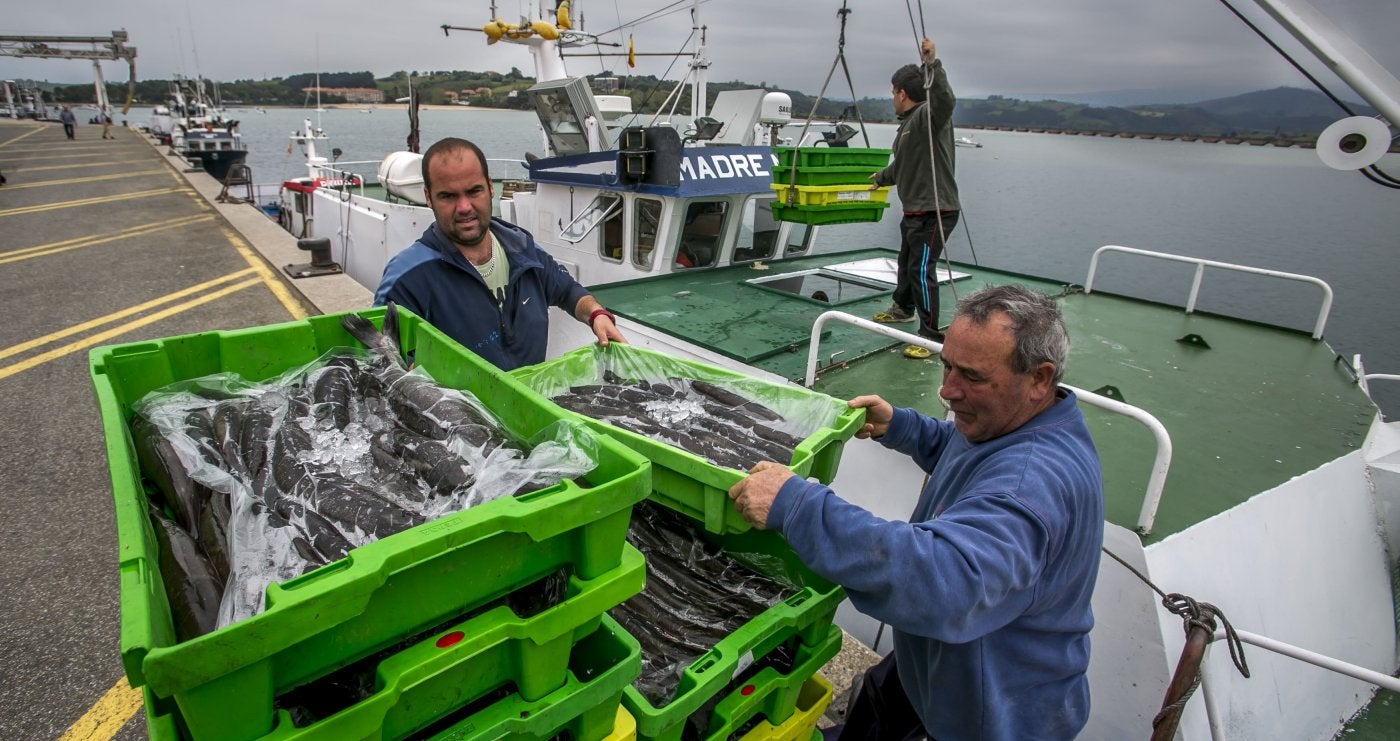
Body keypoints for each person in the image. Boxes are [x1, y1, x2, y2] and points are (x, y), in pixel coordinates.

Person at [728, 284, 1104, 740]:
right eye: (946, 366)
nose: (948, 391)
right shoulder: (1011, 421)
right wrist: (902, 427)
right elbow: (964, 452)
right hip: (935, 668)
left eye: (971, 376)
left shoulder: (1031, 483)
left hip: (984, 713)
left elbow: (945, 581)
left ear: (1040, 379)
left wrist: (795, 506)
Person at [374, 137, 626, 371]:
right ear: (428, 197)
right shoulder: (408, 278)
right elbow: (380, 362)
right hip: (460, 417)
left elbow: (567, 291)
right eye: (448, 196)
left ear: (490, 188)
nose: (464, 207)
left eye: (474, 191)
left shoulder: (521, 248)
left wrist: (596, 315)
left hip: (532, 403)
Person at [870, 37, 961, 360]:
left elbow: (944, 100)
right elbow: (904, 166)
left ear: (901, 93)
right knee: (907, 263)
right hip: (915, 210)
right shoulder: (908, 126)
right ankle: (902, 308)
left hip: (935, 210)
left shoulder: (928, 116)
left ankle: (931, 336)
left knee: (922, 270)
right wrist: (880, 178)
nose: (892, 99)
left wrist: (931, 65)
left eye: (893, 93)